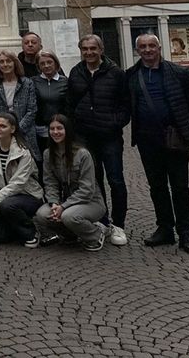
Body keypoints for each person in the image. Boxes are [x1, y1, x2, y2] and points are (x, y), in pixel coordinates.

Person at [126, 33, 189, 254]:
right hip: (147, 140)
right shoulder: (131, 75)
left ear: (159, 48)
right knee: (157, 187)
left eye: (151, 46)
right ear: (137, 50)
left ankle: (186, 232)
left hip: (175, 139)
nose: (147, 50)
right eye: (142, 47)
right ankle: (165, 228)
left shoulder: (180, 74)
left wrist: (181, 129)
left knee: (180, 187)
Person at [66, 34, 130, 247]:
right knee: (93, 181)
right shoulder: (76, 72)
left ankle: (118, 224)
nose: (89, 52)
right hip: (85, 136)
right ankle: (101, 220)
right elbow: (70, 104)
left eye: (93, 48)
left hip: (109, 136)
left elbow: (125, 105)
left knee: (116, 180)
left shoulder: (116, 73)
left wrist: (114, 123)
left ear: (101, 50)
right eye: (85, 49)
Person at [32, 115, 107, 251]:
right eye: (52, 129)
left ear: (68, 130)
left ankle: (96, 234)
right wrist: (54, 203)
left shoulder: (83, 154)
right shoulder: (48, 154)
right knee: (42, 215)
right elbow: (50, 182)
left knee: (69, 216)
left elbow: (87, 189)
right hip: (65, 202)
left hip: (91, 201)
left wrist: (63, 206)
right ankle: (70, 235)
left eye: (59, 128)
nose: (55, 132)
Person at [0, 112, 44, 245]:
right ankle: (15, 227)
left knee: (8, 205)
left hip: (28, 195)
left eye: (3, 126)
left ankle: (32, 232)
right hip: (3, 197)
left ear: (12, 129)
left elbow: (18, 183)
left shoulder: (23, 152)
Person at [0, 49, 40, 164]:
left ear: (15, 62)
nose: (5, 64)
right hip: (1, 135)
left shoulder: (27, 83)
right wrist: (4, 129)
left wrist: (16, 130)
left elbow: (32, 110)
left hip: (24, 134)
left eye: (8, 61)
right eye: (1, 62)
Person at [32, 49, 68, 160]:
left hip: (61, 128)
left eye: (49, 62)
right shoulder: (33, 82)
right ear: (38, 66)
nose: (46, 66)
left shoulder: (65, 81)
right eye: (42, 63)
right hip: (41, 129)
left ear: (55, 63)